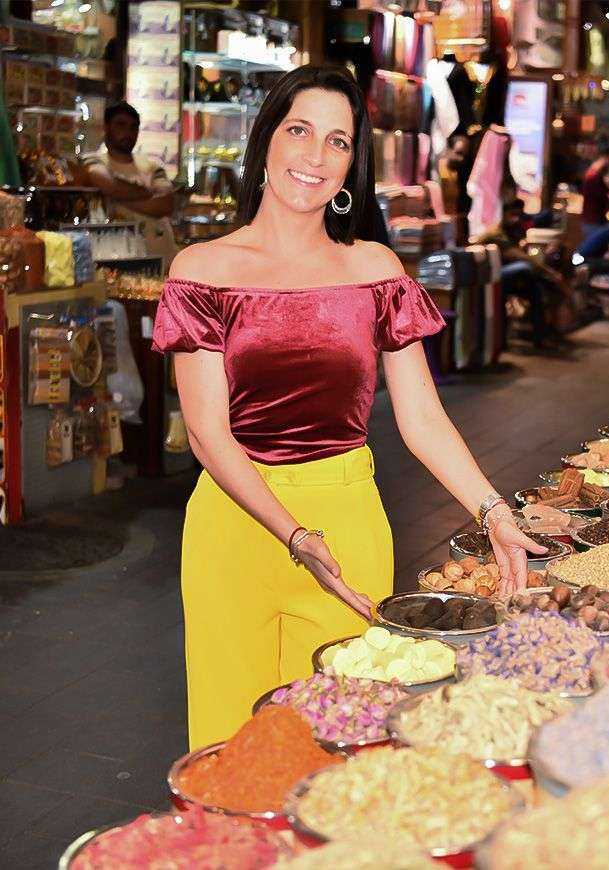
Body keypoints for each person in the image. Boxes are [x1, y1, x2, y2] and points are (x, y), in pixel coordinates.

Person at [151, 66, 545, 749]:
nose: (315, 156)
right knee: (230, 745)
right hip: (235, 527)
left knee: (338, 741)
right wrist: (293, 534)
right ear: (265, 142)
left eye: (337, 142)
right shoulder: (202, 270)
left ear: (350, 167)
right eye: (300, 130)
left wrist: (495, 514)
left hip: (348, 524)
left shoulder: (375, 272)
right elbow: (210, 435)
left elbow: (422, 420)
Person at [83, 101, 178, 269]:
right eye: (121, 125)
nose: (128, 132)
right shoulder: (93, 161)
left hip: (163, 259)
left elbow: (165, 204)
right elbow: (109, 184)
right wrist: (148, 193)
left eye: (133, 127)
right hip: (120, 264)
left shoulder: (152, 166)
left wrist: (116, 197)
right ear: (106, 127)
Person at [476, 200, 560, 349]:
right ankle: (503, 342)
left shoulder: (514, 230)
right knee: (525, 268)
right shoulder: (497, 234)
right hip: (491, 278)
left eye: (518, 215)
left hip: (508, 277)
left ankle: (540, 337)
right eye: (512, 214)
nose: (515, 218)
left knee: (535, 289)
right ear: (504, 214)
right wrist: (548, 271)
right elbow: (519, 257)